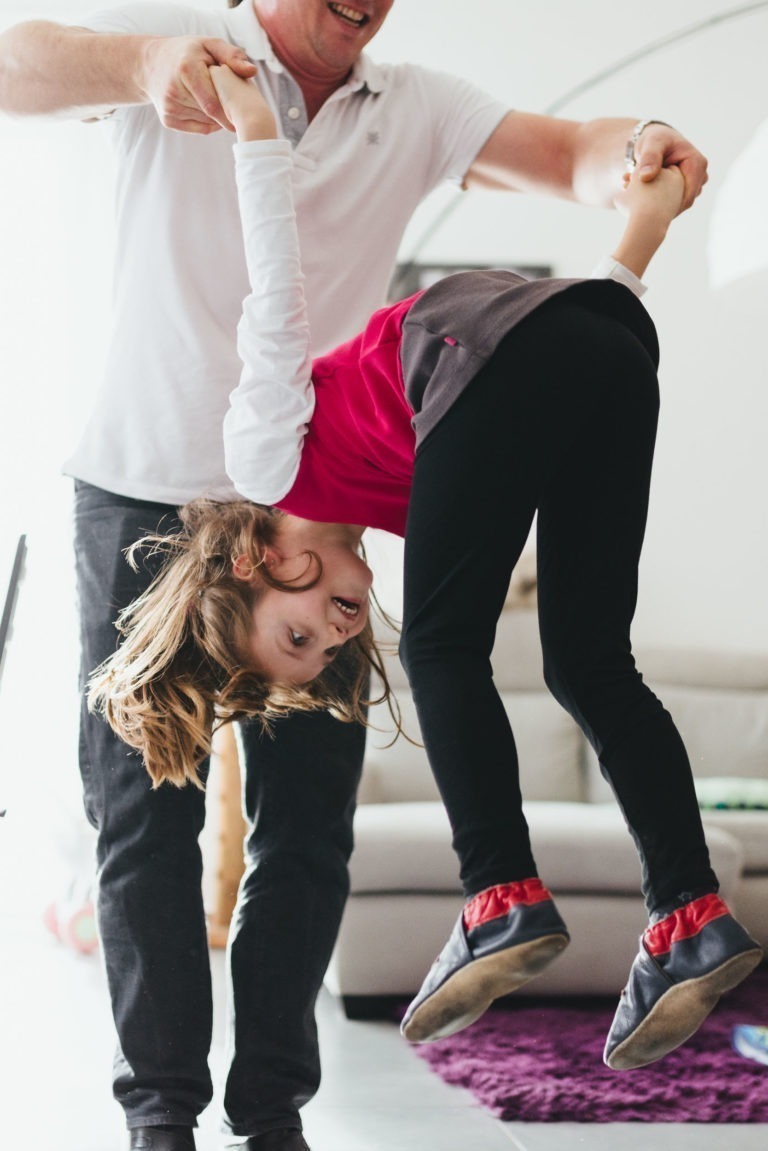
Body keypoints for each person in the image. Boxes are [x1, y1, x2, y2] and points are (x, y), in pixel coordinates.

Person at [0, 3, 712, 1149]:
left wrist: (645, 148)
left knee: (309, 829)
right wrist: (141, 66)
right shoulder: (189, 54)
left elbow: (573, 152)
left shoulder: (416, 105)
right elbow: (12, 63)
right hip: (140, 501)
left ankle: (274, 1108)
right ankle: (160, 1117)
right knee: (143, 824)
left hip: (306, 511)